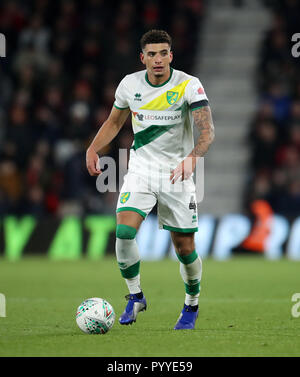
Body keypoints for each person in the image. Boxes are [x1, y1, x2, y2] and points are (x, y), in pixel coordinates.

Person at [86, 30, 215, 330]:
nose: (158, 60)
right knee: (123, 232)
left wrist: (192, 158)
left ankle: (191, 305)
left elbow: (207, 132)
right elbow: (114, 121)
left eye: (163, 53)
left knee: (184, 248)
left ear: (171, 56)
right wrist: (93, 148)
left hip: (177, 174)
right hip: (141, 170)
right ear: (142, 58)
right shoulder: (130, 85)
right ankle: (135, 296)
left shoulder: (188, 85)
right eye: (152, 54)